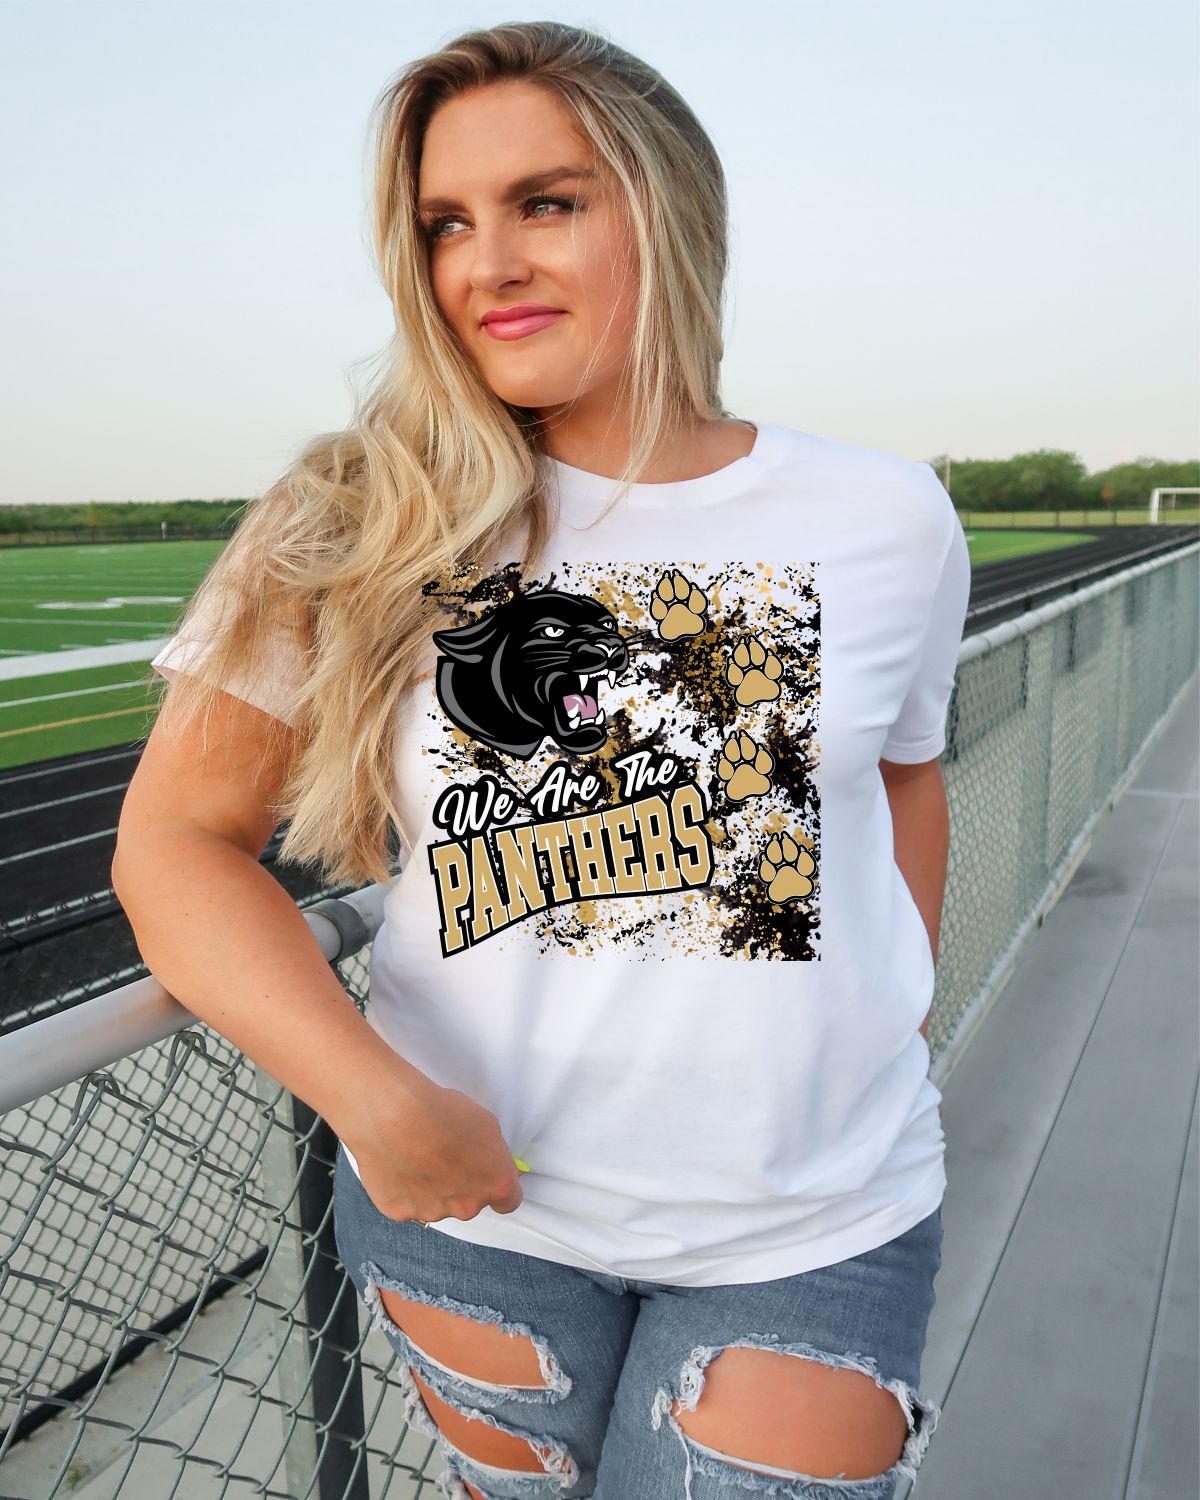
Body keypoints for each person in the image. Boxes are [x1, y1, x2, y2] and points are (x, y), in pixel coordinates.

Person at [118, 20, 972, 1500]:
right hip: (479, 1221)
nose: (488, 264)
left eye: (547, 204)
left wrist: (888, 1020)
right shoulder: (354, 516)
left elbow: (904, 775)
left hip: (819, 1220)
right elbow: (173, 846)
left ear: (671, 213)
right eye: (446, 224)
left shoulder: (888, 517)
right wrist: (374, 1101)